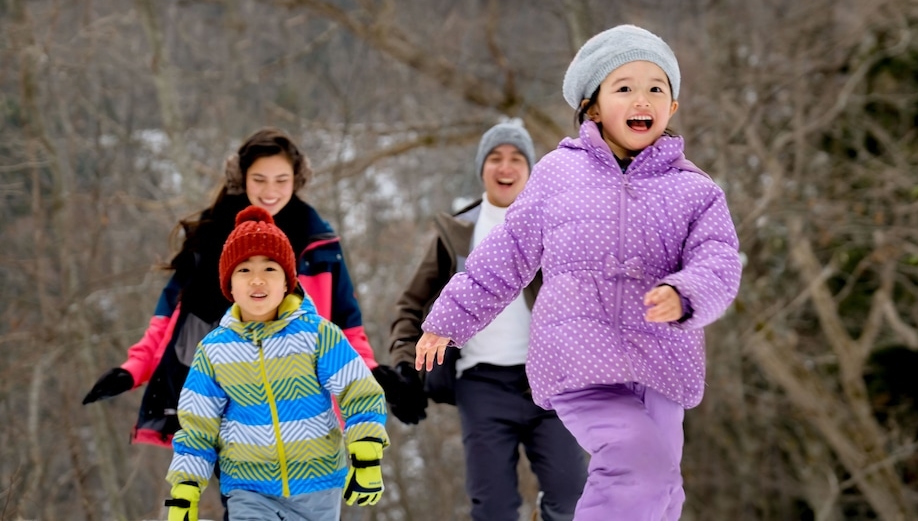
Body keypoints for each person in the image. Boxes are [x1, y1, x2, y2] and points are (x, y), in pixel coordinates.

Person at [415, 25, 743, 521]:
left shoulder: (694, 190)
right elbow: (506, 252)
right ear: (592, 105)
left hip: (662, 364)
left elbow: (718, 261)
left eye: (656, 88)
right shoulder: (557, 174)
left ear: (672, 107)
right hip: (579, 359)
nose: (643, 98)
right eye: (625, 87)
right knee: (635, 465)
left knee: (662, 489)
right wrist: (450, 317)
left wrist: (685, 292)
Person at [82, 127, 378, 448]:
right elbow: (169, 320)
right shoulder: (211, 238)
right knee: (240, 492)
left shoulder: (319, 244)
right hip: (225, 397)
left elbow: (347, 325)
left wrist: (373, 375)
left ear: (296, 180)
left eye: (281, 180)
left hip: (300, 402)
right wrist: (133, 370)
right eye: (259, 179)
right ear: (242, 178)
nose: (270, 191)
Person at [374, 120, 587, 521]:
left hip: (550, 383)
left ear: (530, 169)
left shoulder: (556, 225)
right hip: (481, 384)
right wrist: (407, 366)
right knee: (493, 509)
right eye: (495, 158)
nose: (505, 168)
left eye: (515, 159)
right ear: (482, 168)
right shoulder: (458, 233)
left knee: (572, 498)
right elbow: (410, 304)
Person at [163, 205, 389, 521]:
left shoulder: (318, 335)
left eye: (270, 269)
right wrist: (185, 491)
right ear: (229, 285)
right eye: (244, 270)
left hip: (318, 484)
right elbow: (198, 427)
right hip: (249, 489)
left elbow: (359, 393)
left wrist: (366, 458)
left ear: (287, 282)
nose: (257, 280)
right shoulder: (214, 352)